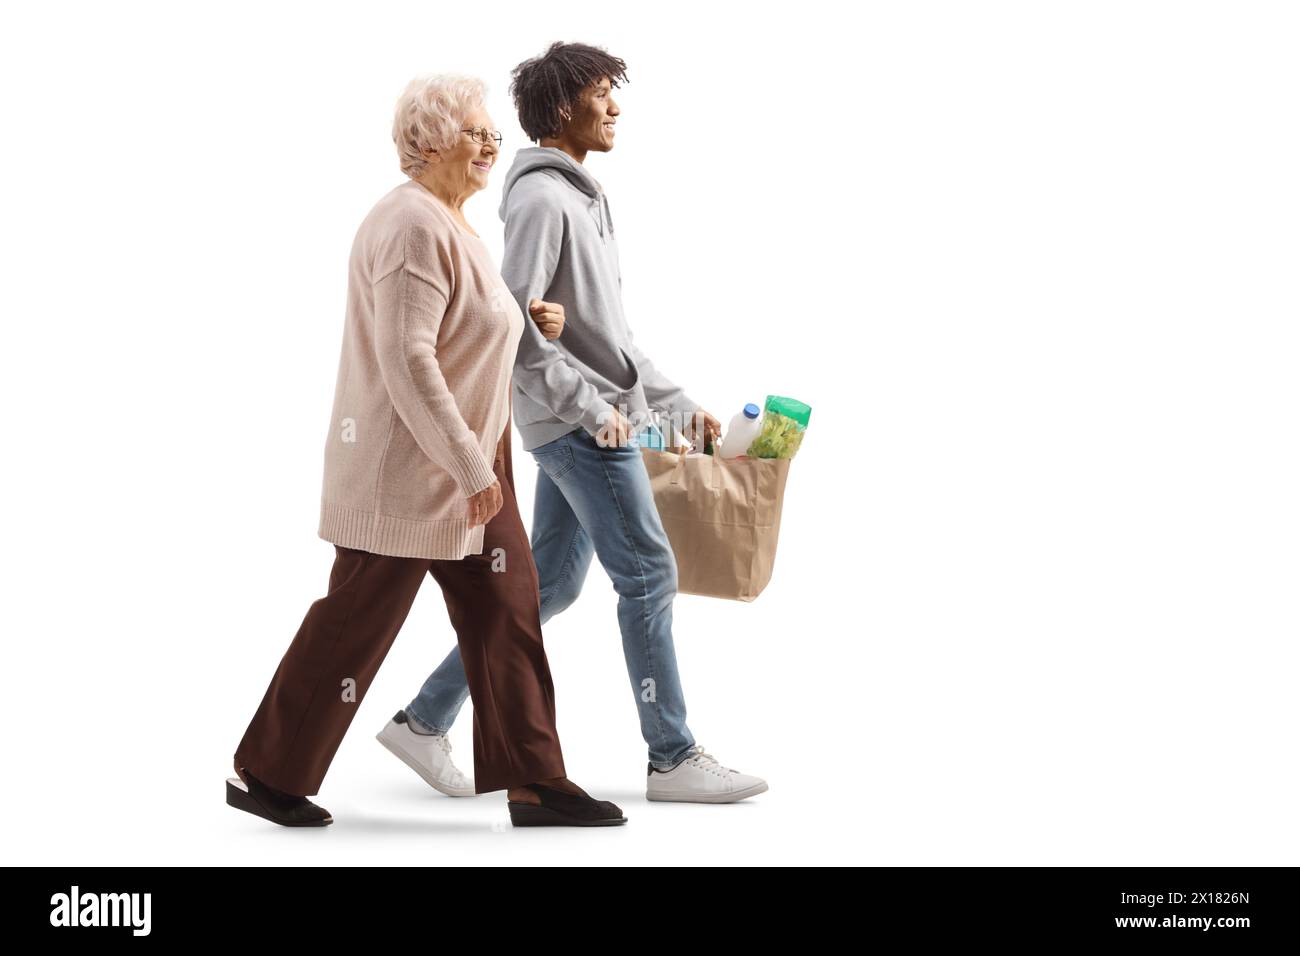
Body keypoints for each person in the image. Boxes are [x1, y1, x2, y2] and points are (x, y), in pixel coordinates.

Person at [228, 72, 625, 828]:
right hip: (410, 471)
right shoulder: (410, 223)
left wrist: (524, 323)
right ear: (429, 139)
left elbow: (464, 328)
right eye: (475, 132)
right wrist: (472, 470)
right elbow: (410, 359)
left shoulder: (452, 222)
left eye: (492, 135)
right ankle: (267, 771)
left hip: (475, 464)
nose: (490, 146)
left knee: (509, 613)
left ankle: (535, 780)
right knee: (357, 620)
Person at [381, 44, 767, 804]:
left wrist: (678, 408)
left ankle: (422, 721)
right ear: (564, 109)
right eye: (601, 93)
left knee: (549, 585)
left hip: (591, 419)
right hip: (578, 426)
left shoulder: (584, 197)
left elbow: (607, 340)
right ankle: (672, 757)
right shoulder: (540, 202)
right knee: (650, 574)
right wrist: (598, 414)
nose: (615, 106)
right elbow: (515, 332)